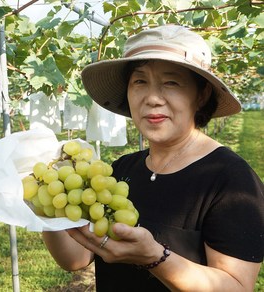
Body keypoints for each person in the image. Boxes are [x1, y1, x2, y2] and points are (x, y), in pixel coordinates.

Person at [42, 24, 264, 291]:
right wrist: (44, 210)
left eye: (171, 82)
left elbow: (237, 287)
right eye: (140, 82)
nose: (152, 98)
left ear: (201, 94)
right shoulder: (120, 169)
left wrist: (156, 258)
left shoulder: (231, 180)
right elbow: (77, 258)